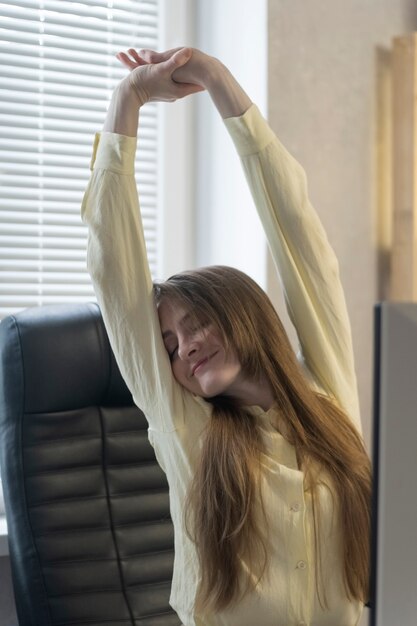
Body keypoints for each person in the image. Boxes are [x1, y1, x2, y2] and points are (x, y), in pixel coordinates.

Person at [81, 46, 371, 626]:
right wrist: (129, 96)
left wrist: (216, 79)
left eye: (195, 322)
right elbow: (115, 268)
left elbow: (301, 238)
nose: (183, 345)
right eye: (168, 345)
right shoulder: (188, 428)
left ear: (242, 313)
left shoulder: (328, 400)